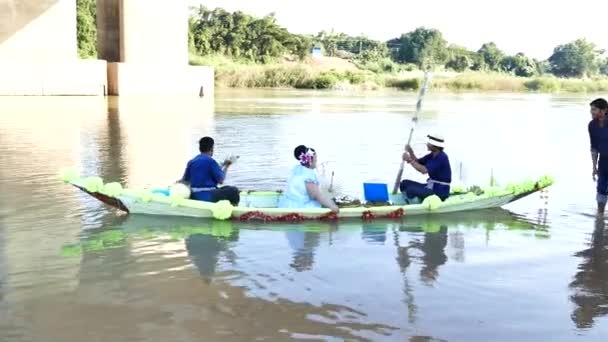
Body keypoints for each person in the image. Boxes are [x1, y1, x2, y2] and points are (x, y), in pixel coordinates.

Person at [278, 145, 339, 213]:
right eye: (315, 159)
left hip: (288, 203)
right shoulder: (309, 175)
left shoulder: (297, 169)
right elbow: (316, 196)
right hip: (301, 207)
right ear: (310, 161)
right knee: (324, 200)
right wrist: (332, 206)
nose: (316, 161)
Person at [181, 136, 240, 205]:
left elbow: (185, 180)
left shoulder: (191, 161)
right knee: (233, 190)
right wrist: (227, 166)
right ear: (212, 148)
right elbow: (221, 180)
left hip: (194, 195)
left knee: (227, 188)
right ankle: (234, 208)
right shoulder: (211, 162)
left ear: (200, 148)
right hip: (206, 197)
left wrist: (223, 165)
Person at [400, 133, 452, 203]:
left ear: (435, 146)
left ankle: (415, 202)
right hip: (431, 186)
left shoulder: (442, 157)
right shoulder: (431, 155)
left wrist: (409, 160)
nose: (427, 144)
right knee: (404, 183)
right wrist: (410, 151)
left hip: (440, 191)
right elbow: (417, 162)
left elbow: (423, 170)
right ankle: (411, 200)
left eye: (429, 143)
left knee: (410, 189)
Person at [588, 98, 608, 215]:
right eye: (591, 109)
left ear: (604, 110)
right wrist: (594, 167)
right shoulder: (592, 125)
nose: (591, 112)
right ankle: (600, 217)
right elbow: (594, 147)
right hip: (603, 161)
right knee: (601, 188)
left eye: (594, 109)